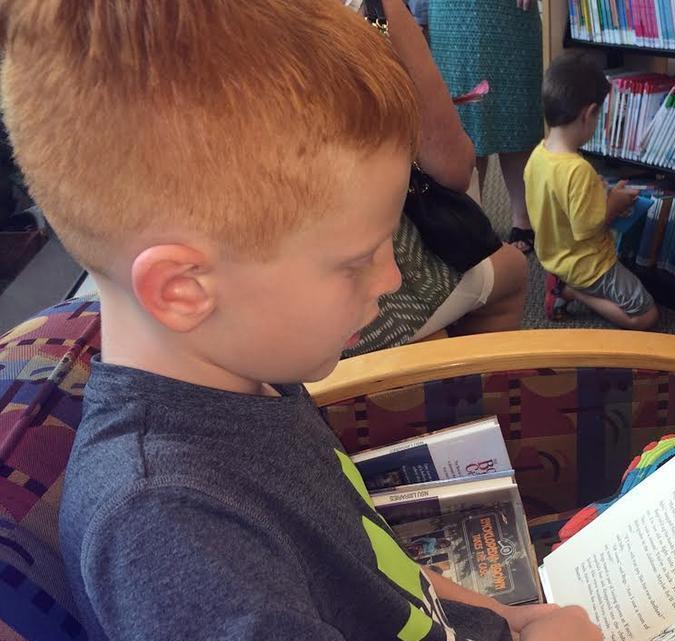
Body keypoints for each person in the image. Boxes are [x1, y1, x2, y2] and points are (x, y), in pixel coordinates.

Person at [0, 1, 599, 639]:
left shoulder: (249, 368)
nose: (392, 279)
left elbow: (382, 568)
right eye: (355, 260)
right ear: (183, 289)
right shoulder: (172, 536)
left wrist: (503, 616)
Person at [344, 0, 528, 354]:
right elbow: (454, 169)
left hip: (225, 307)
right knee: (512, 269)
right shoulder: (373, 9)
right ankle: (467, 402)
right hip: (345, 309)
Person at [523, 53, 660, 330]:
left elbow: (559, 204)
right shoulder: (577, 169)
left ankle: (563, 283)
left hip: (554, 256)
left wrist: (602, 195)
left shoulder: (538, 154)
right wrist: (616, 202)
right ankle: (573, 293)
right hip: (589, 267)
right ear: (589, 114)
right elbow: (588, 226)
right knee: (645, 315)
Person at [428, 0, 544, 254]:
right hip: (452, 17)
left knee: (517, 117)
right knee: (466, 123)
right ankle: (473, 217)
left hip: (511, 15)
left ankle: (522, 219)